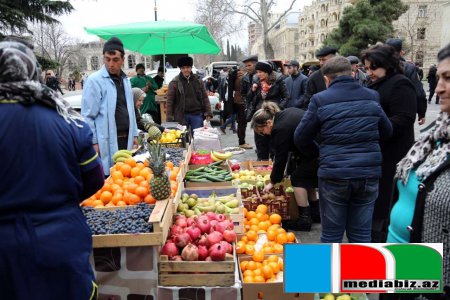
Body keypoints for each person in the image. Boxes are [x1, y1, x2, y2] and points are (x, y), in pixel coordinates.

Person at [0, 39, 104, 299]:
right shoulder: (66, 119)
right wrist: (62, 202)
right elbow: (95, 178)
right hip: (61, 244)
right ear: (33, 70)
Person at [294, 56, 393, 242]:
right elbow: (387, 131)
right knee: (361, 235)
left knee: (331, 235)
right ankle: (357, 271)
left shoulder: (320, 100)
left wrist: (319, 152)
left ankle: (330, 272)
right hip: (367, 174)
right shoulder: (372, 96)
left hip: (334, 175)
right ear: (353, 73)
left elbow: (301, 137)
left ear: (326, 79)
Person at [382, 43, 450, 300]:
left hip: (427, 282)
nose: (438, 88)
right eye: (440, 77)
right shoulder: (437, 134)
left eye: (448, 78)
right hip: (399, 265)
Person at [361, 44, 417, 243]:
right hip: (376, 152)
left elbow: (404, 118)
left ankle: (382, 242)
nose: (369, 72)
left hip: (393, 154)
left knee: (385, 203)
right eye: (367, 68)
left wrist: (373, 128)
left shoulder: (400, 83)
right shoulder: (374, 84)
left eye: (373, 68)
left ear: (387, 65)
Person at [252, 103, 319, 231]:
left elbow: (280, 157)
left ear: (268, 123)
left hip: (318, 152)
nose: (265, 134)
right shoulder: (286, 113)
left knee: (297, 179)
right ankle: (315, 213)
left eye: (262, 131)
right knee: (306, 177)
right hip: (315, 149)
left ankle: (305, 219)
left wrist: (273, 181)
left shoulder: (279, 129)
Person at [81, 37, 139, 176]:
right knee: (110, 179)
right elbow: (88, 116)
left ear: (123, 59)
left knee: (126, 178)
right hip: (106, 140)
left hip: (126, 139)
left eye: (115, 60)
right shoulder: (94, 81)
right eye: (107, 59)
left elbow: (130, 108)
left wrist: (135, 133)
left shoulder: (125, 80)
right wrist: (94, 142)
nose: (111, 64)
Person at [247, 61, 289, 160]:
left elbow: (286, 97)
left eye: (261, 72)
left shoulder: (278, 80)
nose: (258, 74)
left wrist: (278, 108)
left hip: (272, 115)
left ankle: (273, 164)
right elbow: (248, 98)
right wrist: (252, 90)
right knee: (260, 141)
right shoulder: (256, 81)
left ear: (267, 72)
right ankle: (261, 162)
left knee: (272, 141)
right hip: (259, 115)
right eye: (257, 72)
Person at [386, 38, 427, 125]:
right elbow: (419, 92)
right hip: (404, 113)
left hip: (383, 113)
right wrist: (421, 113)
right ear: (401, 52)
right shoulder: (409, 67)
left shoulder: (378, 66)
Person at [166, 56, 213, 130]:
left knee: (198, 137)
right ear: (180, 69)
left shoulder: (198, 81)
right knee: (183, 138)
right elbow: (170, 102)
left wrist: (208, 112)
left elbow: (205, 97)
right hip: (181, 116)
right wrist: (169, 117)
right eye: (183, 68)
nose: (185, 70)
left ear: (191, 68)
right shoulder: (174, 82)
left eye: (187, 67)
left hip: (197, 115)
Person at [226, 64, 253, 149]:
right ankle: (242, 142)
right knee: (242, 123)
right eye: (247, 67)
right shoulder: (242, 78)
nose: (248, 68)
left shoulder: (237, 76)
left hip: (238, 101)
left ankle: (242, 141)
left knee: (241, 122)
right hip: (241, 101)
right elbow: (244, 91)